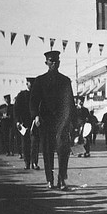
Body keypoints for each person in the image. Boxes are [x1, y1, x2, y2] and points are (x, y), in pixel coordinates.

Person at [30, 50, 76, 190]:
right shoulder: (40, 80)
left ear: (59, 63)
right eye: (52, 61)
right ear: (47, 63)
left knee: (63, 151)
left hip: (62, 121)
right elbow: (34, 100)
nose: (54, 63)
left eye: (57, 61)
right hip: (46, 121)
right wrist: (36, 115)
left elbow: (70, 102)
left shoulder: (65, 81)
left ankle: (61, 180)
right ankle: (50, 180)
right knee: (48, 151)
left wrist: (72, 121)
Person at [14, 77, 40, 170]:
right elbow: (16, 110)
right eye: (29, 83)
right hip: (24, 123)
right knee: (25, 144)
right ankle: (27, 163)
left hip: (34, 123)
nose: (31, 85)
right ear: (27, 84)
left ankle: (34, 163)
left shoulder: (37, 95)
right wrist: (18, 121)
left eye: (32, 83)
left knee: (34, 144)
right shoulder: (21, 95)